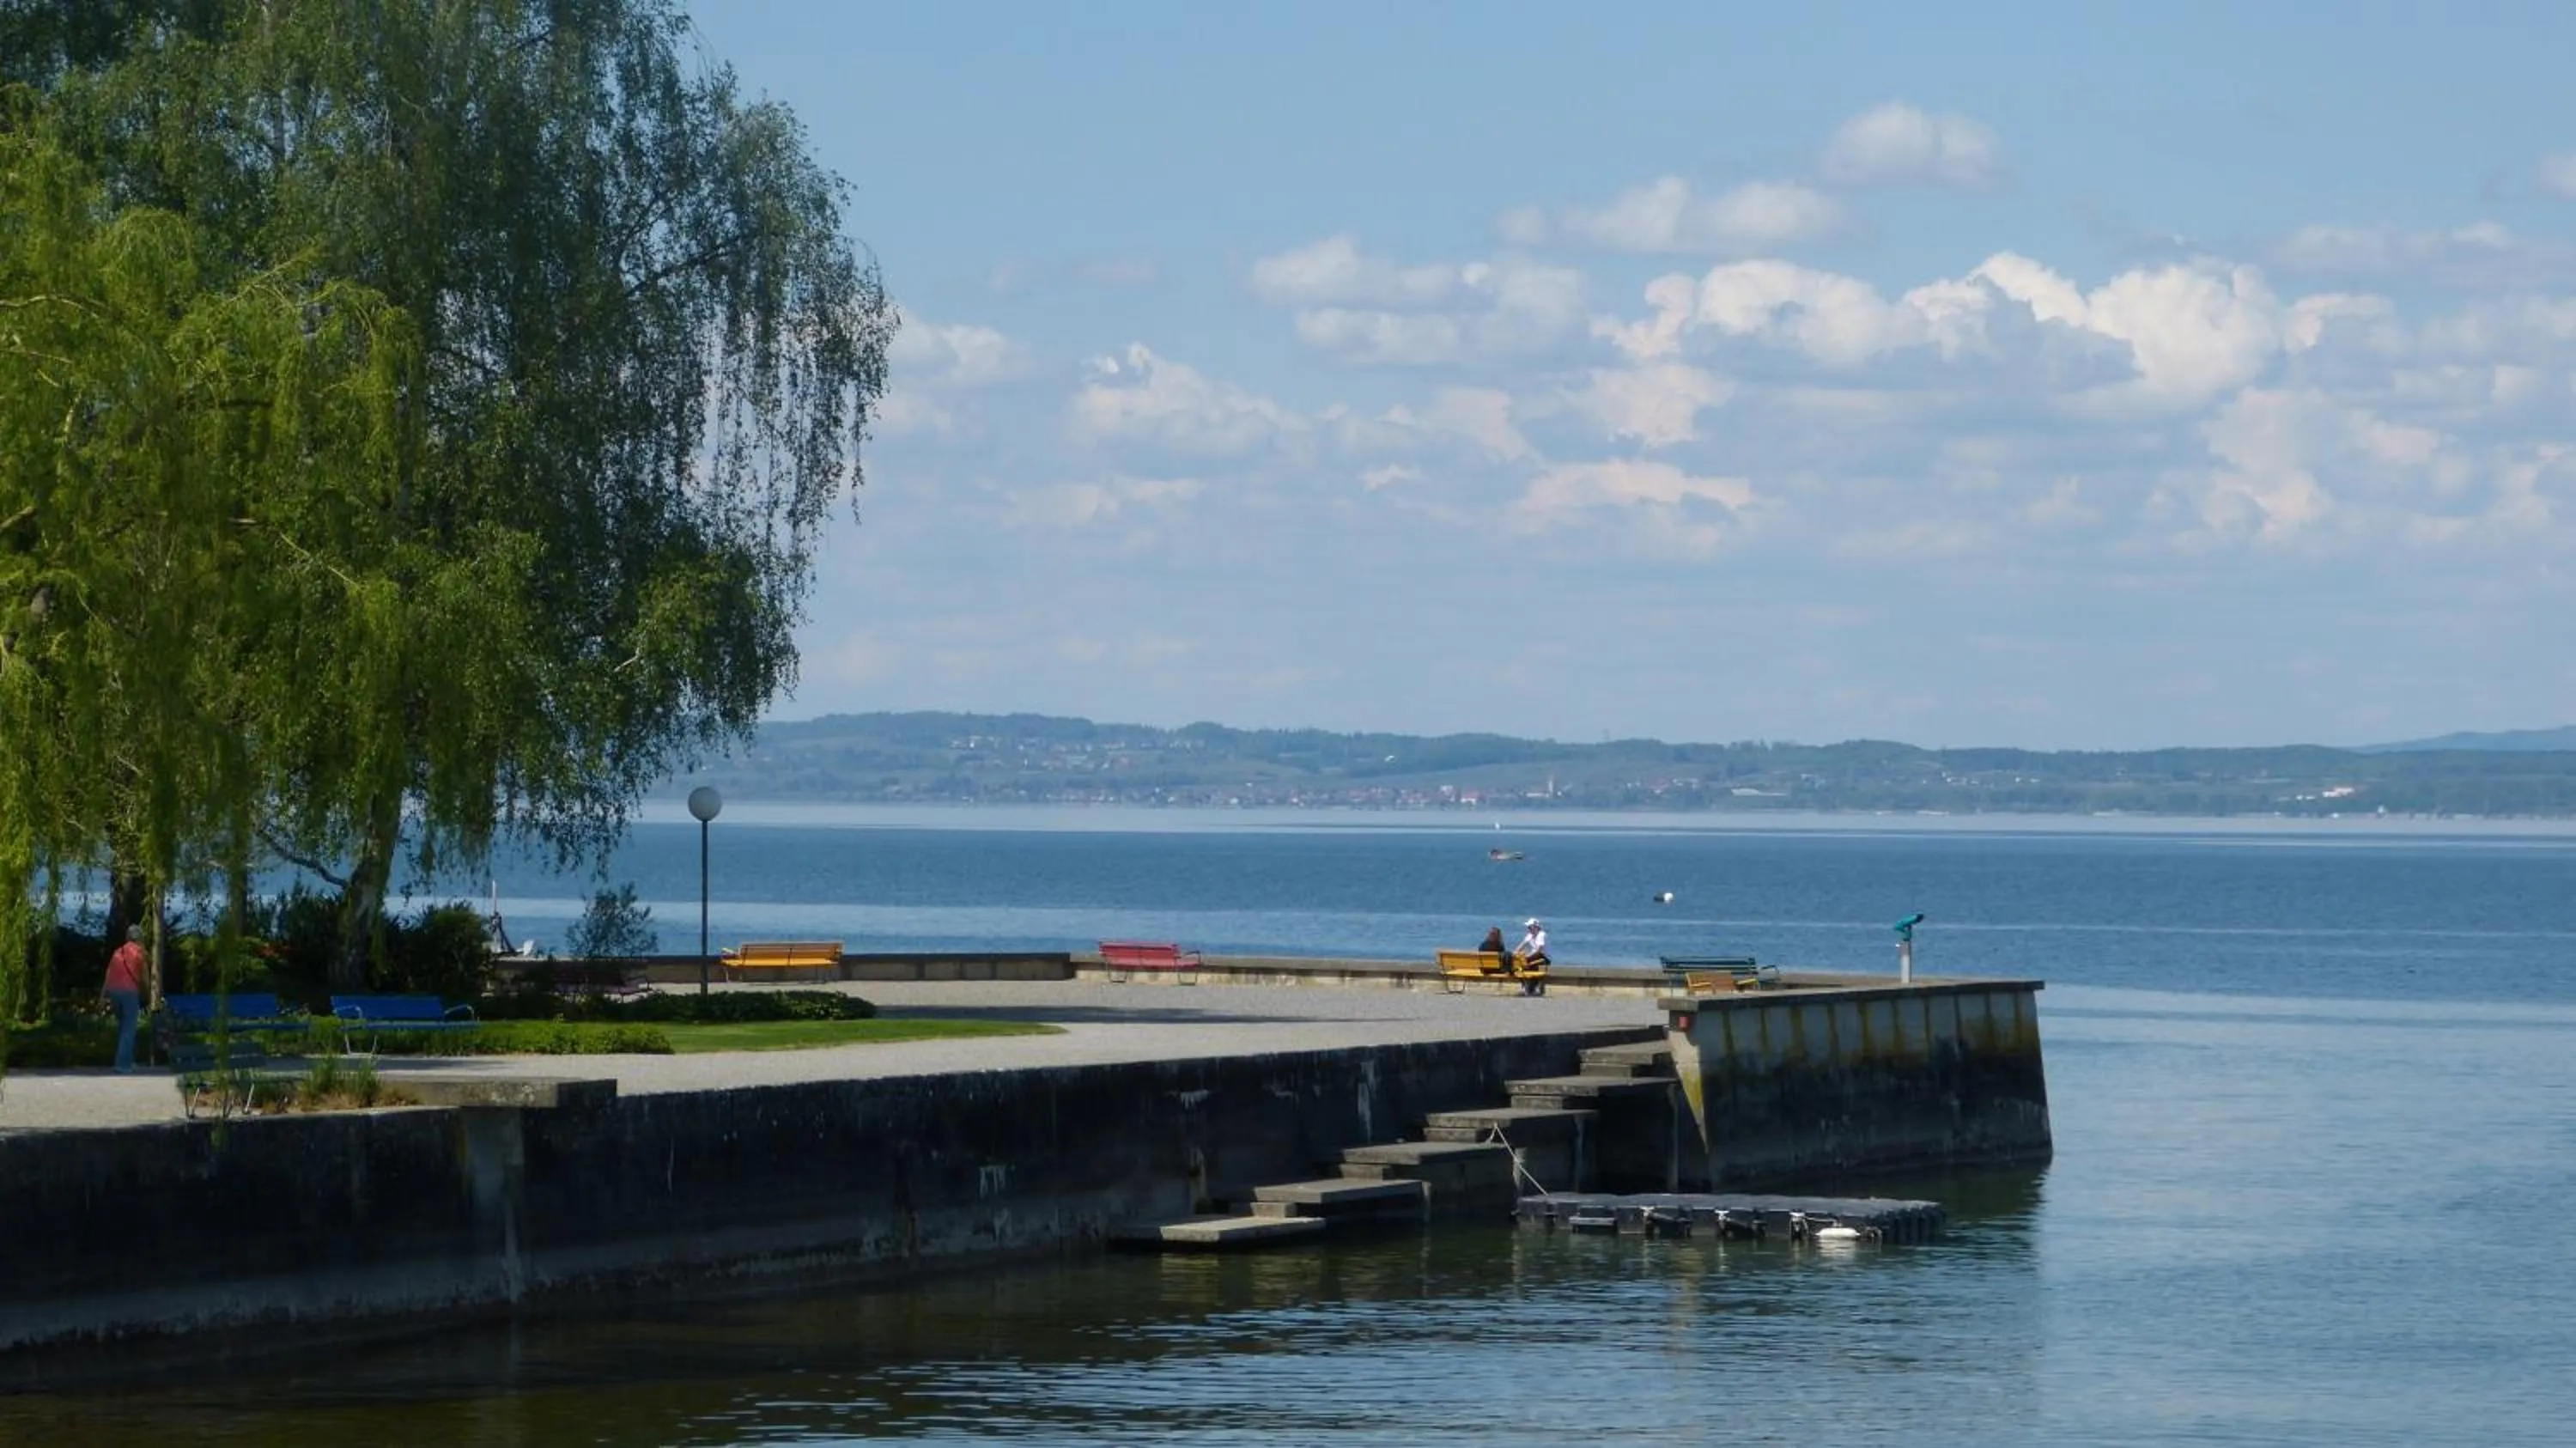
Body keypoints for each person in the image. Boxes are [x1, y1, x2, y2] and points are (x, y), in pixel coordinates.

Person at [102, 925, 148, 1074]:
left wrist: (103, 995)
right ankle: (122, 1065)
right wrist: (147, 992)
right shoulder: (140, 953)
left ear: (127, 937)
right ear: (139, 938)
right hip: (129, 992)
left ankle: (128, 1060)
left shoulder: (117, 952)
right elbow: (145, 976)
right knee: (129, 1028)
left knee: (124, 1027)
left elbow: (108, 974)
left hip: (113, 992)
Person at [1515, 917, 1550, 996]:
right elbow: (1522, 944)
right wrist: (1516, 953)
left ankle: (1532, 987)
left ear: (1535, 927)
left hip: (1543, 957)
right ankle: (1526, 987)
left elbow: (1539, 950)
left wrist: (1527, 957)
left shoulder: (1541, 935)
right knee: (1518, 964)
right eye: (1528, 927)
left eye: (1530, 927)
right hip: (1534, 956)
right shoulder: (1530, 935)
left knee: (1528, 963)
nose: (1528, 929)